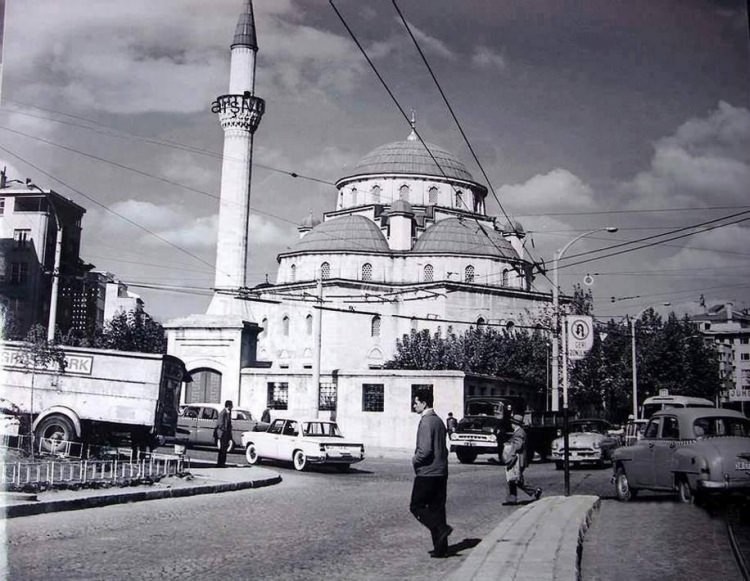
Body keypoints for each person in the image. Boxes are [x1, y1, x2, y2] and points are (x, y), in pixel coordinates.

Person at [410, 388, 453, 558]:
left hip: (427, 473)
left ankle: (440, 528)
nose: (414, 406)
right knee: (437, 508)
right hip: (441, 471)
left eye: (416, 402)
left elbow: (425, 450)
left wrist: (415, 460)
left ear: (424, 403)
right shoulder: (439, 421)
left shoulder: (426, 421)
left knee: (416, 506)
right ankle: (441, 548)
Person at [502, 413, 542, 505]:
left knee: (515, 479)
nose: (511, 424)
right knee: (515, 479)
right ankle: (513, 498)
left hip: (517, 460)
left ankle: (534, 490)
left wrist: (510, 453)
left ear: (515, 424)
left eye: (512, 423)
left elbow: (518, 446)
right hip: (518, 459)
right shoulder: (519, 432)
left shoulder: (519, 433)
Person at [216, 400, 233, 467]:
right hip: (223, 433)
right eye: (231, 405)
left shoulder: (228, 412)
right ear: (228, 406)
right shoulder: (223, 413)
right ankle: (220, 463)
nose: (232, 407)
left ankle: (223, 462)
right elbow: (220, 424)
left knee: (224, 448)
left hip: (226, 433)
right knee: (222, 449)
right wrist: (225, 430)